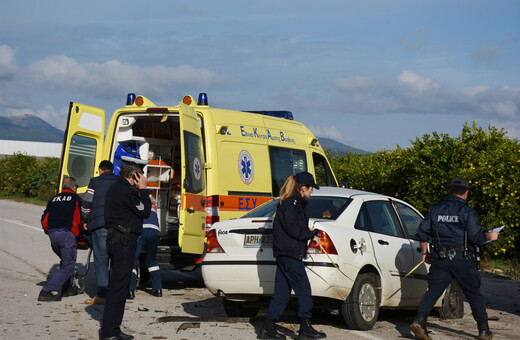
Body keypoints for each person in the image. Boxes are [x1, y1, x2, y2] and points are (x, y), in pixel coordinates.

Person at [410, 177, 500, 340]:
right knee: (473, 294)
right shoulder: (468, 212)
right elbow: (477, 237)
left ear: (451, 191)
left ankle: (420, 320)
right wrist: (491, 236)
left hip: (439, 258)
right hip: (462, 258)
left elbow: (422, 234)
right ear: (466, 193)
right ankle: (484, 330)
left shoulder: (434, 210)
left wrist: (425, 253)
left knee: (433, 292)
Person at [259, 171, 326, 340]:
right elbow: (292, 228)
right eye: (311, 188)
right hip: (289, 254)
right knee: (304, 289)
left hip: (286, 253)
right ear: (303, 188)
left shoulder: (293, 203)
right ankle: (305, 327)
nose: (312, 192)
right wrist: (311, 235)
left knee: (282, 292)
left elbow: (293, 226)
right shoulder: (292, 203)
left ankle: (268, 326)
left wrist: (307, 231)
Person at [99, 161, 151, 340]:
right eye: (141, 175)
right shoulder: (126, 190)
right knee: (118, 289)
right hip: (123, 242)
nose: (143, 178)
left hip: (118, 240)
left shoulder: (117, 188)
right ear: (135, 175)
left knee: (118, 288)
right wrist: (143, 189)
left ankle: (113, 330)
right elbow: (144, 211)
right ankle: (109, 333)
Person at [39, 177, 84, 301]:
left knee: (65, 261)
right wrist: (83, 231)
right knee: (68, 265)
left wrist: (50, 231)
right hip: (66, 234)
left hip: (53, 234)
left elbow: (44, 221)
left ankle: (66, 288)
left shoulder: (53, 199)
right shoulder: (76, 199)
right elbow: (80, 218)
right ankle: (47, 291)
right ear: (74, 187)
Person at [81, 160, 119, 305]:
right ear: (112, 171)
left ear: (100, 170)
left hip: (100, 224)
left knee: (101, 260)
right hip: (118, 227)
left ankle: (102, 295)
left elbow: (86, 203)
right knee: (116, 259)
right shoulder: (119, 181)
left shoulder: (95, 181)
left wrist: (85, 219)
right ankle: (116, 294)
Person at [128, 194, 162, 299]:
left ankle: (130, 290)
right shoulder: (152, 200)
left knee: (133, 260)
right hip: (155, 231)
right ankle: (158, 289)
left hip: (142, 230)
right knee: (152, 261)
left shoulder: (137, 199)